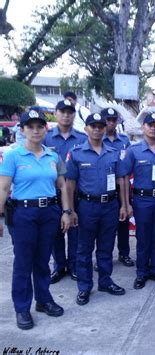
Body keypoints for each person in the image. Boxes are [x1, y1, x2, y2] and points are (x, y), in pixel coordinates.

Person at [0, 109, 71, 330]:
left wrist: (67, 212)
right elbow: (3, 188)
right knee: (23, 262)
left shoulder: (53, 156)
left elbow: (63, 186)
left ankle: (43, 300)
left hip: (49, 212)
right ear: (22, 130)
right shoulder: (13, 156)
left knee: (42, 260)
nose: (35, 130)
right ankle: (22, 308)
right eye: (30, 126)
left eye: (40, 126)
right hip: (23, 214)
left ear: (45, 129)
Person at [65, 113, 128, 306]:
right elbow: (70, 184)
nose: (98, 129)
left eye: (101, 126)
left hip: (110, 205)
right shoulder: (76, 153)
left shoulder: (113, 153)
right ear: (86, 129)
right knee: (84, 249)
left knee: (106, 247)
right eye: (93, 126)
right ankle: (84, 287)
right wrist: (70, 210)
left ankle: (105, 281)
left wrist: (124, 205)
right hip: (87, 207)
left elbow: (121, 180)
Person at [122, 113, 155, 289]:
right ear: (143, 127)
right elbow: (124, 177)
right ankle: (142, 272)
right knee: (143, 237)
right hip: (142, 200)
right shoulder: (133, 151)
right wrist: (126, 203)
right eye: (149, 125)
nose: (153, 128)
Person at [44, 99, 87, 284]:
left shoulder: (82, 138)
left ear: (74, 115)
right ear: (56, 113)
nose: (66, 115)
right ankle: (59, 266)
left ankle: (74, 266)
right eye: (63, 111)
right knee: (56, 231)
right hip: (53, 193)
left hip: (76, 192)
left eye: (70, 112)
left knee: (76, 231)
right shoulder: (45, 138)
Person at [101, 107, 134, 267]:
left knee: (123, 223)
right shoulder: (97, 139)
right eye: (108, 120)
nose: (111, 123)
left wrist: (127, 201)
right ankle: (104, 256)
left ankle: (124, 253)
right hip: (103, 188)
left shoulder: (124, 141)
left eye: (114, 120)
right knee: (104, 227)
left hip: (122, 185)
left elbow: (126, 167)